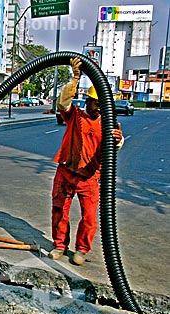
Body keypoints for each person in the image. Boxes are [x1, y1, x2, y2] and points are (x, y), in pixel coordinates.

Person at [49, 58, 124, 265]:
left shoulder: (109, 125)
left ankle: (81, 250)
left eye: (102, 105)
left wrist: (118, 140)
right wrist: (75, 78)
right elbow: (63, 102)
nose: (98, 108)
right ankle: (60, 245)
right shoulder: (75, 116)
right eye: (95, 103)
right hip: (66, 171)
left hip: (89, 177)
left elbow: (114, 149)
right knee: (59, 210)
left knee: (89, 217)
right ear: (88, 102)